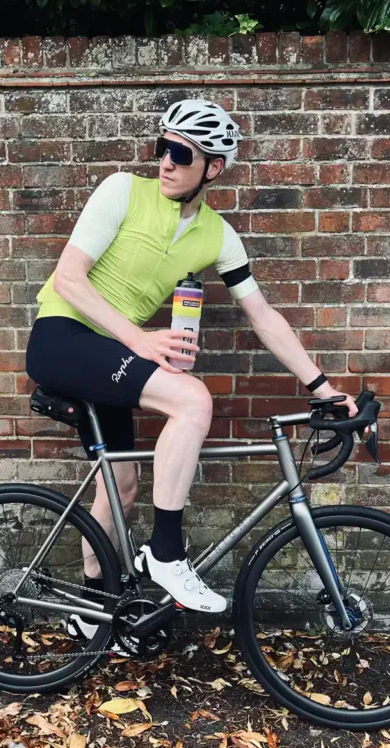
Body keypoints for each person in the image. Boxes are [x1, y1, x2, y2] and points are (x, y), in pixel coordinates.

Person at [25, 99, 359, 630]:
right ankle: (166, 552)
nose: (166, 162)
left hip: (110, 355)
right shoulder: (121, 191)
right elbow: (68, 278)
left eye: (182, 154)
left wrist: (321, 386)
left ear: (213, 168)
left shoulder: (218, 236)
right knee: (191, 398)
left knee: (123, 486)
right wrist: (140, 339)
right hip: (62, 337)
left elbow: (263, 315)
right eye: (163, 148)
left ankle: (89, 607)